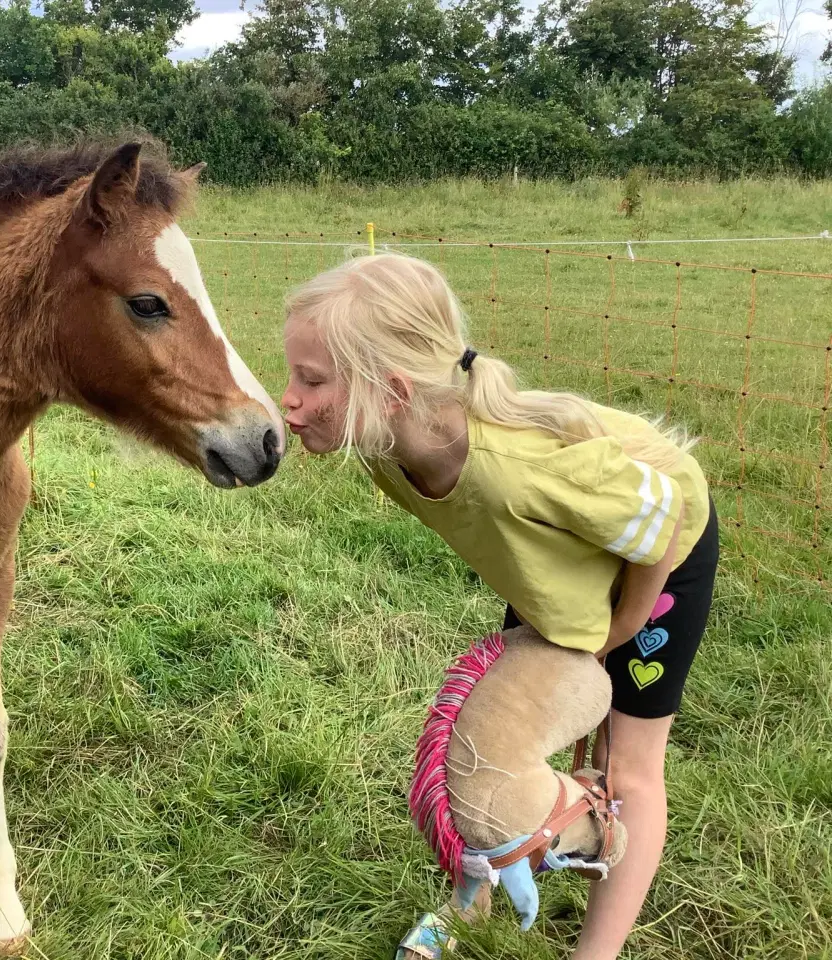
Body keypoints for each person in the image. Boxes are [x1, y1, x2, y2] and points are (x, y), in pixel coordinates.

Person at [279, 254, 718, 960]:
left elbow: (661, 514)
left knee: (626, 760)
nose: (289, 400)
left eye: (312, 380)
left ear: (391, 390)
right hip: (563, 565)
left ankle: (594, 954)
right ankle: (472, 908)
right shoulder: (388, 453)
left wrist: (625, 627)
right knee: (496, 736)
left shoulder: (514, 471)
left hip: (658, 553)